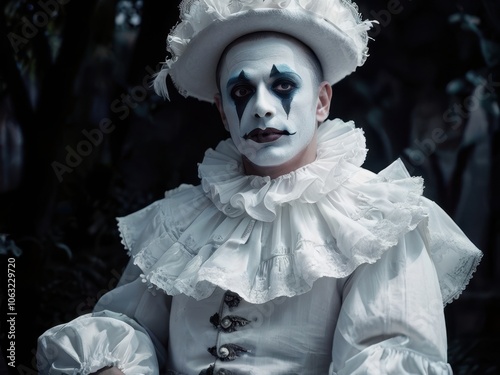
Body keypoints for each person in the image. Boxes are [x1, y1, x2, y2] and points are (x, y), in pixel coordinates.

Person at [37, 0, 482, 374]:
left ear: (322, 100)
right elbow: (132, 328)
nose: (263, 109)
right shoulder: (179, 225)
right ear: (222, 110)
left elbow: (387, 354)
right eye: (242, 92)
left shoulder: (377, 222)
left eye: (283, 85)